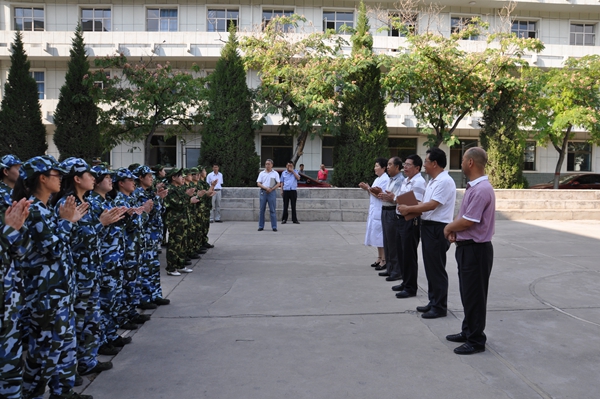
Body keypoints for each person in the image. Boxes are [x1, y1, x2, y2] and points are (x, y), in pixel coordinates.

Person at [12, 155, 91, 399]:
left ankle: (62, 392)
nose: (60, 180)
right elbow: (53, 248)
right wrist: (67, 223)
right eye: (56, 175)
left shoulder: (45, 209)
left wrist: (70, 223)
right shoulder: (34, 210)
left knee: (64, 347)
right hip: (46, 296)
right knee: (45, 352)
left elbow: (65, 247)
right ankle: (33, 394)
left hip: (59, 292)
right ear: (42, 178)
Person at [443, 147, 495, 355]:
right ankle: (468, 330)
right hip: (468, 248)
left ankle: (476, 340)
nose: (461, 163)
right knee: (468, 293)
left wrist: (449, 228)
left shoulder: (482, 190)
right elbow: (464, 218)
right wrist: (457, 230)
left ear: (471, 162)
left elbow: (467, 221)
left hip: (476, 250)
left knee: (474, 295)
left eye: (463, 159)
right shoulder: (475, 188)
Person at [398, 148, 456, 319]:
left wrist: (409, 208)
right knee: (431, 267)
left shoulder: (444, 181)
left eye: (426, 161)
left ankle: (439, 306)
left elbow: (431, 205)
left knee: (436, 268)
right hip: (429, 225)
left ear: (435, 163)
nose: (424, 165)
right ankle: (433, 301)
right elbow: (425, 203)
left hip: (438, 228)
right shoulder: (433, 181)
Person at [0, 192, 31, 399]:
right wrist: (9, 232)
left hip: (10, 300)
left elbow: (21, 250)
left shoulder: (5, 204)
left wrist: (13, 230)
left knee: (11, 365)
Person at [393, 155, 427, 299]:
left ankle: (411, 287)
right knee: (401, 253)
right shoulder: (407, 181)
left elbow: (416, 203)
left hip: (410, 220)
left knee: (409, 255)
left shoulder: (418, 182)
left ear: (417, 168)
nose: (405, 167)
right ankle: (405, 282)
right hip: (400, 218)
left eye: (408, 165)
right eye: (404, 164)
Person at [376, 157, 404, 281]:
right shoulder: (390, 179)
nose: (387, 167)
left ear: (397, 167)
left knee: (393, 242)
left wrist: (390, 198)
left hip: (392, 212)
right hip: (385, 210)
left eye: (390, 164)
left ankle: (396, 271)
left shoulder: (400, 180)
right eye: (387, 164)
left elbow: (396, 198)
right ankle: (390, 267)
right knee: (387, 241)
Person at [358, 158, 389, 269]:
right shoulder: (377, 179)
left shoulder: (385, 179)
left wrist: (368, 188)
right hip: (374, 210)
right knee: (375, 235)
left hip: (380, 209)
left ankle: (385, 259)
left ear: (383, 167)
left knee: (381, 236)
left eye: (377, 166)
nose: (375, 168)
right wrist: (367, 189)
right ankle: (379, 257)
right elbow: (372, 193)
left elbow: (381, 195)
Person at [256, 159, 280, 232]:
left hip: (271, 192)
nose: (267, 165)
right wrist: (266, 188)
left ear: (272, 165)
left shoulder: (275, 173)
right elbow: (258, 183)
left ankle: (274, 226)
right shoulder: (262, 173)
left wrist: (271, 188)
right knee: (261, 210)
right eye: (266, 164)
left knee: (272, 210)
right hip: (263, 192)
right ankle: (261, 226)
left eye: (269, 164)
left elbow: (278, 183)